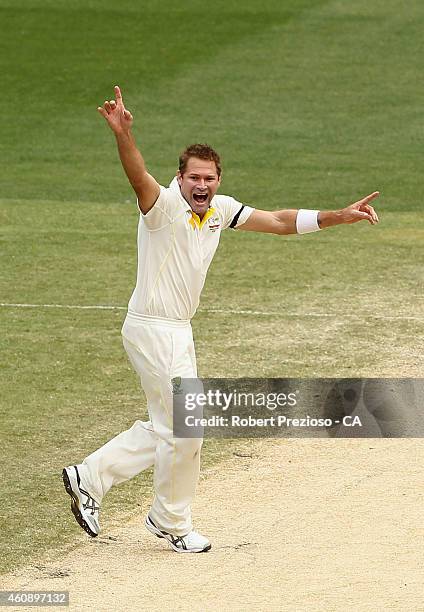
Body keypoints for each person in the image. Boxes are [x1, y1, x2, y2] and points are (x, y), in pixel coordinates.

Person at [62, 85, 379, 554]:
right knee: (187, 428)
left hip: (177, 331)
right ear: (180, 178)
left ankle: (89, 476)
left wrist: (338, 216)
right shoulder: (163, 208)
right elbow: (138, 177)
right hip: (153, 327)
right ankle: (170, 521)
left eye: (209, 178)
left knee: (170, 426)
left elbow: (277, 221)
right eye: (194, 178)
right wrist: (123, 136)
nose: (202, 186)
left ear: (217, 179)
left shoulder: (221, 210)